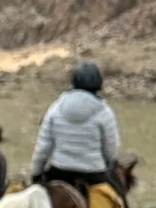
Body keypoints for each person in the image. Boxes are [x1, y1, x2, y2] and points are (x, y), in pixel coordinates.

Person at [32, 62, 123, 193]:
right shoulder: (105, 112)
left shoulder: (55, 108)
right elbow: (111, 149)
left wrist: (36, 173)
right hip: (93, 174)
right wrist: (109, 163)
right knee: (118, 203)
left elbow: (43, 146)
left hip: (59, 172)